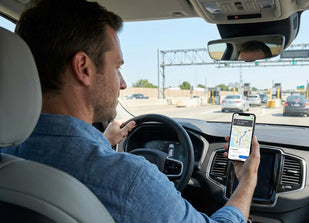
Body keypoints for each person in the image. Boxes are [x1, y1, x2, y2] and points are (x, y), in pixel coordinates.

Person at [2, 0, 260, 222]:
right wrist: (246, 180)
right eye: (117, 67)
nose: (123, 83)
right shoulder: (130, 180)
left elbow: (65, 160)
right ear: (83, 68)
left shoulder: (7, 157)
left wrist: (101, 142)